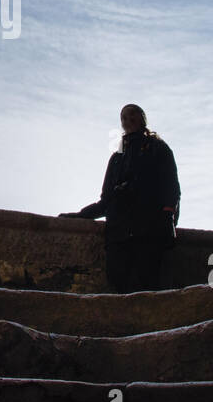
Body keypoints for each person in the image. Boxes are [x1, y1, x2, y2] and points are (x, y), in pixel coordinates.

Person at [59, 104, 180, 294]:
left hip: (149, 230)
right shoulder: (116, 158)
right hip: (119, 233)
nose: (127, 119)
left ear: (142, 118)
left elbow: (171, 188)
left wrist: (167, 217)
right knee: (118, 283)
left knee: (148, 284)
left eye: (132, 114)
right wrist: (80, 216)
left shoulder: (159, 149)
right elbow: (106, 201)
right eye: (123, 116)